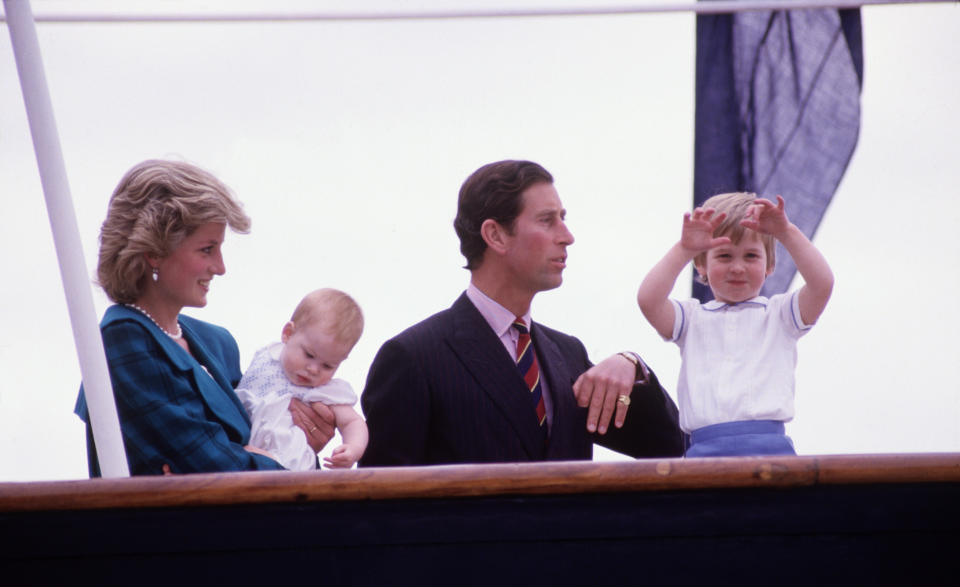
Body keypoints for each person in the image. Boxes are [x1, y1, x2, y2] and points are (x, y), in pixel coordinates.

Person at [359, 159, 683, 466]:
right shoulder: (413, 357)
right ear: (495, 235)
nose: (567, 237)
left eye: (563, 218)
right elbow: (381, 506)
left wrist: (632, 365)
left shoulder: (568, 354)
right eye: (547, 220)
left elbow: (670, 445)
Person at [74, 159, 335, 476]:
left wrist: (297, 444)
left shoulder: (218, 344)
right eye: (207, 249)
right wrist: (266, 459)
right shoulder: (122, 339)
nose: (221, 267)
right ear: (154, 250)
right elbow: (216, 468)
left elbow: (246, 458)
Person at [636, 192, 834, 457]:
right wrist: (684, 249)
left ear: (769, 264)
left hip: (771, 450)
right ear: (702, 264)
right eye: (725, 256)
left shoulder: (781, 315)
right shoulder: (691, 319)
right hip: (703, 452)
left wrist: (785, 232)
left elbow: (822, 284)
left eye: (751, 256)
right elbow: (648, 300)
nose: (738, 268)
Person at [236, 288, 369, 470]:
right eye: (308, 354)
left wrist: (353, 449)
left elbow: (353, 422)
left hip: (290, 464)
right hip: (240, 445)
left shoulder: (325, 391)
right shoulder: (266, 357)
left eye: (328, 366)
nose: (314, 369)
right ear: (288, 333)